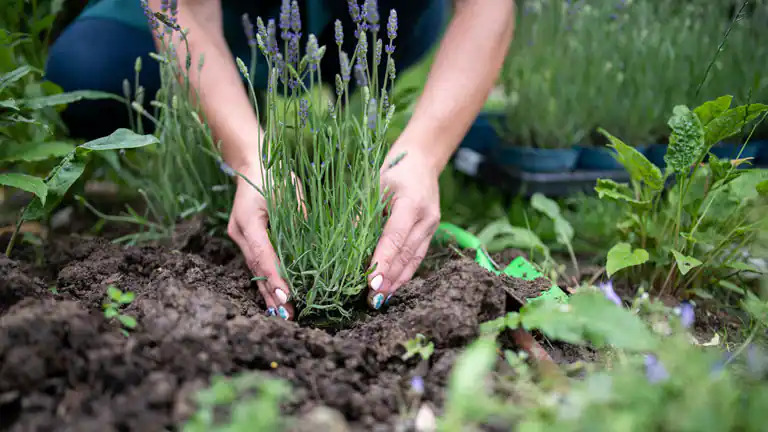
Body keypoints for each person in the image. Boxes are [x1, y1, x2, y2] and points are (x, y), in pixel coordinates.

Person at [46, 0, 515, 320]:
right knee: (87, 68)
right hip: (238, 13)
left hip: (370, 10)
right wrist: (250, 157)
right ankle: (241, 101)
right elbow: (182, 8)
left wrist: (426, 152)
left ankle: (446, 120)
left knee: (381, 45)